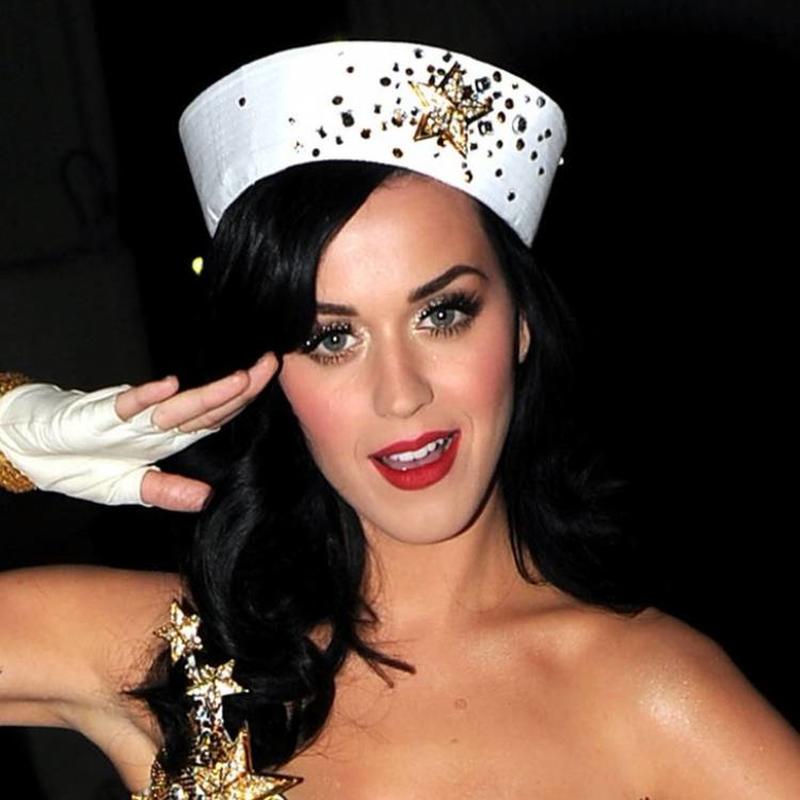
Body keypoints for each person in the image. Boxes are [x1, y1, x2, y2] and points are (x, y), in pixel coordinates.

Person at [1, 39, 799, 800]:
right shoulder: (172, 654)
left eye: (442, 314)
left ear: (520, 323)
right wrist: (9, 433)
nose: (400, 394)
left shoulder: (652, 698)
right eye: (331, 338)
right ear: (275, 375)